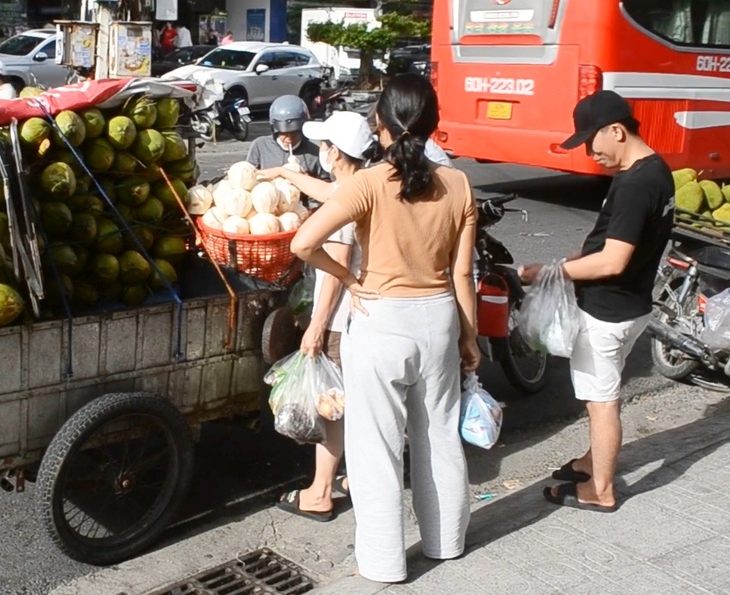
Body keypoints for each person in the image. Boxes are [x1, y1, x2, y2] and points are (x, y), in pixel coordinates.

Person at [290, 74, 478, 583]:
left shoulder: (368, 183)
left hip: (379, 322)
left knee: (377, 449)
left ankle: (384, 563)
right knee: (438, 435)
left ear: (382, 126)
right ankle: (446, 542)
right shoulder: (458, 183)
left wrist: (352, 280)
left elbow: (304, 243)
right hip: (438, 317)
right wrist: (470, 335)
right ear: (433, 122)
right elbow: (463, 273)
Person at [519, 90, 674, 512]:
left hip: (607, 312)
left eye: (591, 141)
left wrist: (551, 273)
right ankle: (592, 461)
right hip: (632, 306)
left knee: (601, 403)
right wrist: (576, 259)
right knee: (603, 392)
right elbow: (619, 244)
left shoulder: (635, 185)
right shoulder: (657, 171)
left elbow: (614, 259)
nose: (590, 151)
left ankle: (601, 489)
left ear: (617, 131)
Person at [269, 111, 377, 522]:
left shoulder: (346, 202)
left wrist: (316, 327)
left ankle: (319, 493)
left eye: (324, 146)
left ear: (334, 152)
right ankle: (355, 477)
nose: (320, 151)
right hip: (359, 316)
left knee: (332, 407)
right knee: (357, 403)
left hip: (339, 319)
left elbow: (336, 263)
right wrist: (284, 173)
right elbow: (326, 189)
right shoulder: (361, 184)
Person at [246, 95, 323, 178]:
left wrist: (308, 179)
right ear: (275, 130)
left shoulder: (314, 152)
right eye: (284, 133)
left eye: (294, 133)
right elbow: (247, 175)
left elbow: (327, 185)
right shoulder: (260, 146)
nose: (289, 138)